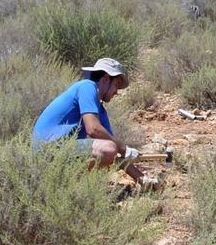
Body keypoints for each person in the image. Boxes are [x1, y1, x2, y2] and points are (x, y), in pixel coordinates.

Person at [32, 57, 155, 186]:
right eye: (116, 85)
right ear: (106, 79)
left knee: (109, 149)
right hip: (46, 150)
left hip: (59, 151)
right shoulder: (87, 86)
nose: (116, 92)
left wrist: (143, 179)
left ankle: (61, 182)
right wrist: (124, 149)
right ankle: (61, 182)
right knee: (109, 149)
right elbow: (94, 130)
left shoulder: (99, 109)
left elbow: (114, 152)